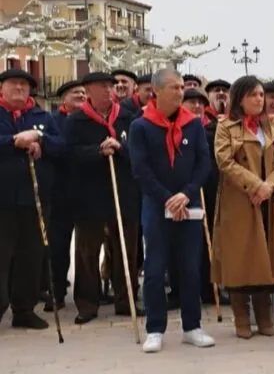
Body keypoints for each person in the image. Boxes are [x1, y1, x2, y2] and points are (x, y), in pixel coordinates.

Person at [128, 69, 215, 353]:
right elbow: (140, 170)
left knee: (190, 267)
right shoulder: (141, 126)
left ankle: (192, 326)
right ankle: (155, 328)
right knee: (154, 269)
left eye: (182, 87)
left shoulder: (194, 125)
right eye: (175, 88)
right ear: (157, 91)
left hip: (189, 202)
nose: (181, 92)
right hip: (157, 205)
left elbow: (204, 164)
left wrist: (186, 194)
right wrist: (168, 198)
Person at [212, 76, 274, 339]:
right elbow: (224, 161)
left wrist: (270, 186)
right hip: (240, 202)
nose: (260, 100)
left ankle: (264, 315)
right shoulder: (226, 126)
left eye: (261, 95)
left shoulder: (272, 126)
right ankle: (241, 317)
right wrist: (255, 186)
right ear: (239, 98)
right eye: (253, 95)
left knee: (267, 257)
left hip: (270, 202)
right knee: (240, 258)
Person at [63, 71, 142, 325]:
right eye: (103, 86)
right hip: (89, 195)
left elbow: (140, 154)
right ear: (89, 91)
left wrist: (121, 149)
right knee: (87, 252)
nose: (110, 90)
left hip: (124, 193)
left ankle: (126, 299)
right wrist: (97, 151)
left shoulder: (129, 119)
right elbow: (69, 154)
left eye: (111, 86)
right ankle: (87, 303)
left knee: (125, 250)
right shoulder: (76, 121)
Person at [0, 69, 64, 330]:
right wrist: (15, 141)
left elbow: (62, 145)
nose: (20, 89)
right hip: (2, 200)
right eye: (14, 84)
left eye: (24, 85)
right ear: (2, 87)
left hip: (35, 199)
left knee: (31, 255)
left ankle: (24, 309)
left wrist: (40, 139)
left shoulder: (42, 117)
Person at [181, 88, 225, 306]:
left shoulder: (214, 129)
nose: (197, 106)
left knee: (211, 241)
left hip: (211, 189)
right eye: (191, 102)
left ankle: (211, 288)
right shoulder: (178, 128)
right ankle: (183, 291)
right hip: (185, 191)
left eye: (200, 102)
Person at [45, 79, 85, 312]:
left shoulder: (90, 120)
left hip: (87, 192)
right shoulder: (53, 122)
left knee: (88, 247)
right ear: (63, 99)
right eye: (74, 93)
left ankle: (90, 291)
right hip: (60, 193)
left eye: (82, 92)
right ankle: (56, 292)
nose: (80, 96)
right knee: (59, 246)